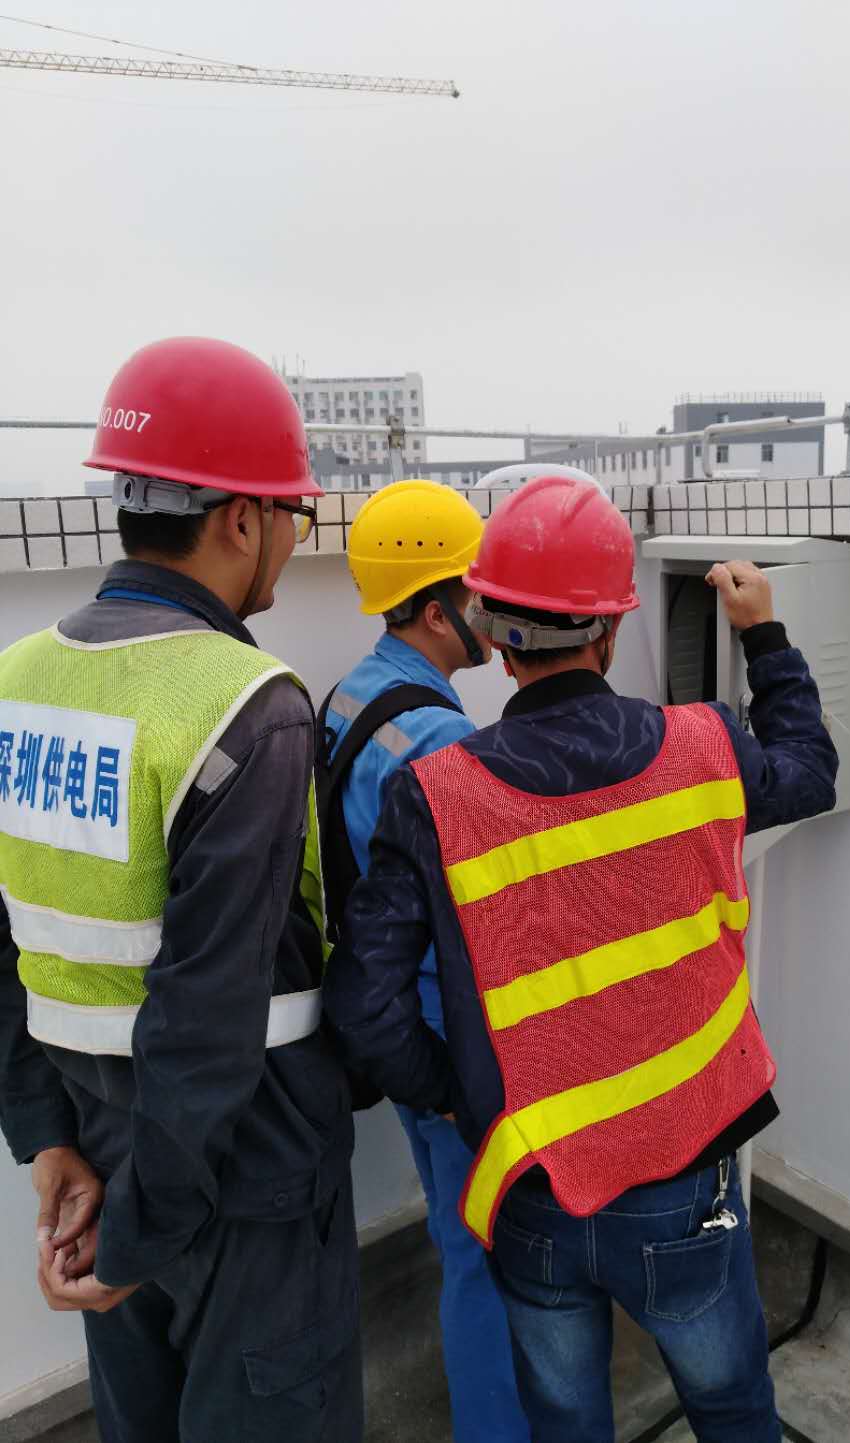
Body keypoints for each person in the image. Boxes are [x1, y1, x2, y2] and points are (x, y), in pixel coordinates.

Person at [324, 474, 840, 1443]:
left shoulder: (434, 794)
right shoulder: (705, 746)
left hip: (535, 1195)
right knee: (733, 1410)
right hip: (685, 1179)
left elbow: (365, 1005)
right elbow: (811, 771)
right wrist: (763, 636)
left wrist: (456, 1096)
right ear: (610, 629)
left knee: (564, 1426)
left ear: (493, 629)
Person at [0, 337, 362, 1443]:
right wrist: (141, 1236)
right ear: (240, 519)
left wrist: (47, 1136)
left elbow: (10, 936)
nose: (293, 537)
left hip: (104, 1149)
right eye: (291, 513)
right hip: (243, 1165)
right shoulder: (247, 704)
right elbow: (207, 1011)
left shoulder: (18, 680)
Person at [316, 479, 529, 1443]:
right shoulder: (441, 739)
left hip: (394, 1022)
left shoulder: (350, 694)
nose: (493, 608)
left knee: (458, 1234)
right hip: (447, 1034)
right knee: (487, 1253)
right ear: (438, 611)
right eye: (477, 591)